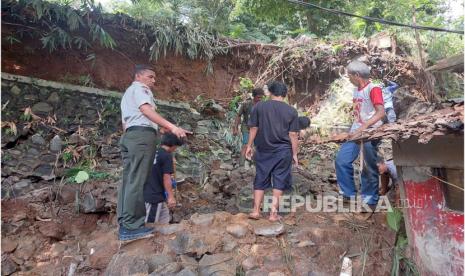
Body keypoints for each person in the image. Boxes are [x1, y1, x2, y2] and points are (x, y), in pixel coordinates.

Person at [118, 64, 190, 241]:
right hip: (141, 138)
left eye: (154, 77)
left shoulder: (127, 94)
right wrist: (171, 126)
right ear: (138, 76)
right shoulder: (140, 89)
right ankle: (132, 226)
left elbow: (128, 122)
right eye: (150, 76)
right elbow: (146, 110)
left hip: (131, 136)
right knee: (137, 181)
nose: (153, 80)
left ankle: (125, 223)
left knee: (129, 181)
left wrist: (160, 129)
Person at [245, 81, 300, 221]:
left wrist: (249, 146)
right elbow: (293, 135)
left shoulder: (259, 107)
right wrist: (294, 153)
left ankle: (256, 211)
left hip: (263, 150)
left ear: (270, 92)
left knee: (260, 177)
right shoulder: (291, 111)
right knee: (279, 180)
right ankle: (273, 214)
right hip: (283, 151)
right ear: (284, 94)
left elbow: (253, 128)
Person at [335, 61, 385, 210]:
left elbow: (381, 112)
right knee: (341, 160)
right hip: (356, 131)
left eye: (349, 76)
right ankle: (348, 194)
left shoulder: (373, 88)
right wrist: (355, 129)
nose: (348, 79)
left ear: (357, 75)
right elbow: (359, 112)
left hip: (371, 132)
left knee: (368, 166)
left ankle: (369, 201)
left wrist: (364, 127)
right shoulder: (356, 90)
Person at [144, 133, 184, 224]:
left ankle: (165, 237)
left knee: (164, 218)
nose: (175, 149)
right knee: (150, 225)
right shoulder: (166, 156)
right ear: (173, 145)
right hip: (154, 197)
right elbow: (166, 178)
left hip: (149, 193)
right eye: (176, 147)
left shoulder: (153, 152)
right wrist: (170, 197)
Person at [233, 88, 265, 166]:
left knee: (258, 147)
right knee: (245, 145)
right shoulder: (246, 104)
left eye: (261, 97)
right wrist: (235, 128)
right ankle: (241, 165)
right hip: (246, 127)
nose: (260, 99)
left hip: (258, 129)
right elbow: (238, 116)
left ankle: (255, 165)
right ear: (254, 96)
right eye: (258, 97)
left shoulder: (263, 105)